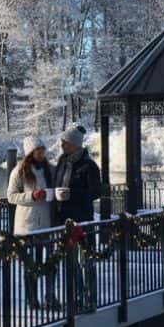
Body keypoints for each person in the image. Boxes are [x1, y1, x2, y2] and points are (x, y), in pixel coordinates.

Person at [6, 136, 59, 310]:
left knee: (51, 262)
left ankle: (50, 297)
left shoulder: (50, 170)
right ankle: (32, 299)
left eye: (43, 151)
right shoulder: (19, 171)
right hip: (27, 225)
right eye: (38, 151)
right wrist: (32, 196)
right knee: (30, 265)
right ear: (30, 153)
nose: (42, 154)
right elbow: (11, 196)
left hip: (47, 223)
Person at [53, 124, 102, 224]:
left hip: (80, 218)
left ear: (74, 144)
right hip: (61, 215)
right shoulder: (62, 160)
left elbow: (96, 192)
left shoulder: (89, 165)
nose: (62, 145)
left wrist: (71, 194)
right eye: (62, 142)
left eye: (65, 143)